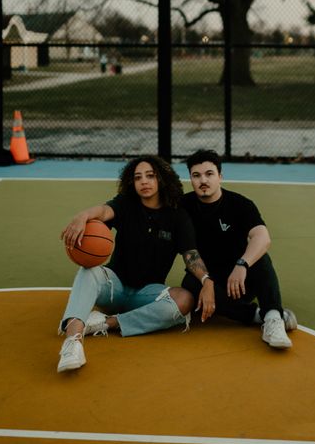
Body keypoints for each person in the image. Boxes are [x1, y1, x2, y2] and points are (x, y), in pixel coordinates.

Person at [58, 155, 214, 373]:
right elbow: (103, 212)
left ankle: (107, 323)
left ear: (161, 179)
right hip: (115, 287)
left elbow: (190, 254)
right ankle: (73, 341)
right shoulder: (126, 204)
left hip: (147, 295)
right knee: (89, 271)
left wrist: (206, 281)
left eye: (150, 176)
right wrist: (83, 215)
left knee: (185, 299)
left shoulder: (177, 216)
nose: (144, 181)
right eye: (138, 177)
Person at [181, 149, 297, 349]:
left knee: (260, 257)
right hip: (209, 281)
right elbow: (189, 253)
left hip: (240, 282)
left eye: (209, 174)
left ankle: (273, 318)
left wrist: (242, 264)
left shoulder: (240, 204)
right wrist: (206, 281)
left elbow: (262, 237)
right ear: (190, 179)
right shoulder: (183, 206)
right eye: (196, 175)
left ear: (220, 177)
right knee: (190, 284)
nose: (203, 180)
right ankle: (258, 316)